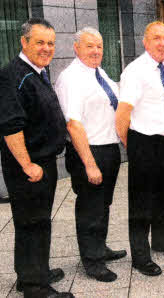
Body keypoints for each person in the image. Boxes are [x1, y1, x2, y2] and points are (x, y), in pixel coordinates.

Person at [0, 18, 73, 298]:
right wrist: (28, 164)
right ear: (24, 42)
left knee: (37, 222)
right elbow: (11, 126)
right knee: (32, 224)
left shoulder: (37, 71)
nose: (46, 48)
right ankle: (35, 287)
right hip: (29, 167)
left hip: (41, 163)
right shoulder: (13, 75)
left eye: (51, 43)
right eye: (39, 42)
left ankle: (33, 272)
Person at [55, 27, 127, 283]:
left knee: (102, 205)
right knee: (90, 208)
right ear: (76, 48)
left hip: (108, 148)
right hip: (89, 150)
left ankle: (100, 248)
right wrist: (89, 164)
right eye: (89, 46)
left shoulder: (99, 73)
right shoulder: (71, 78)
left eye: (99, 45)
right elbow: (73, 124)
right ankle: (92, 261)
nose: (96, 50)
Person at [115, 21, 164, 277]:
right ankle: (140, 255)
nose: (163, 43)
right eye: (157, 38)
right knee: (141, 201)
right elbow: (122, 115)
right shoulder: (136, 71)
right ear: (145, 42)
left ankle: (162, 239)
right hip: (144, 142)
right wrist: (132, 145)